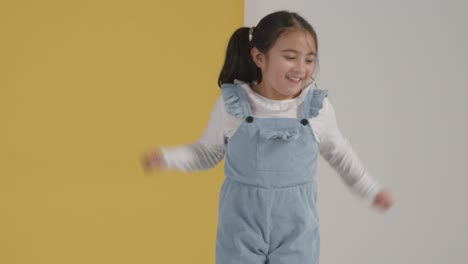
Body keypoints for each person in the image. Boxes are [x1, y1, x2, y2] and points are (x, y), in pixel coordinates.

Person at [142, 10, 393, 264]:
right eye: (290, 57)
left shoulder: (317, 109)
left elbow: (340, 154)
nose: (301, 68)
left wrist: (371, 190)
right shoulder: (233, 106)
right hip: (241, 228)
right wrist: (168, 157)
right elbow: (207, 153)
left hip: (297, 230)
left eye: (309, 60)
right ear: (259, 57)